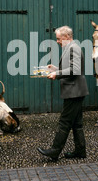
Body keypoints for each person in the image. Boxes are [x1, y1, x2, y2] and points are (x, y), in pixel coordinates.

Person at [37, 26, 89, 161]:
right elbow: (69, 68)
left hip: (74, 91)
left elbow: (75, 70)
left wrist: (57, 74)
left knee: (64, 122)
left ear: (66, 37)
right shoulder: (70, 48)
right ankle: (80, 151)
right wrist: (55, 68)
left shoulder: (73, 48)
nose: (58, 41)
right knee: (76, 123)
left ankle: (55, 151)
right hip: (75, 90)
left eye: (59, 39)